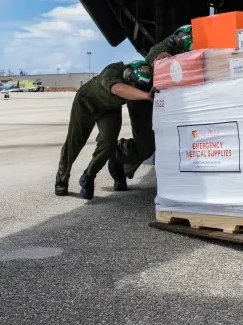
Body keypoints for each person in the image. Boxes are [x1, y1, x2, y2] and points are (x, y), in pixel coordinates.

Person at [53, 59, 153, 199]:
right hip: (86, 102)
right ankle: (62, 178)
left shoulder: (135, 80)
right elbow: (118, 89)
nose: (134, 89)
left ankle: (88, 176)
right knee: (74, 142)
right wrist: (146, 96)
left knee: (108, 144)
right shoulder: (112, 71)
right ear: (128, 75)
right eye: (133, 85)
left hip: (109, 109)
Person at [108, 24, 193, 186]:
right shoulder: (166, 46)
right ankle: (116, 154)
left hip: (168, 101)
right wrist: (159, 61)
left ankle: (127, 169)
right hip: (144, 100)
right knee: (146, 146)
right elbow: (152, 60)